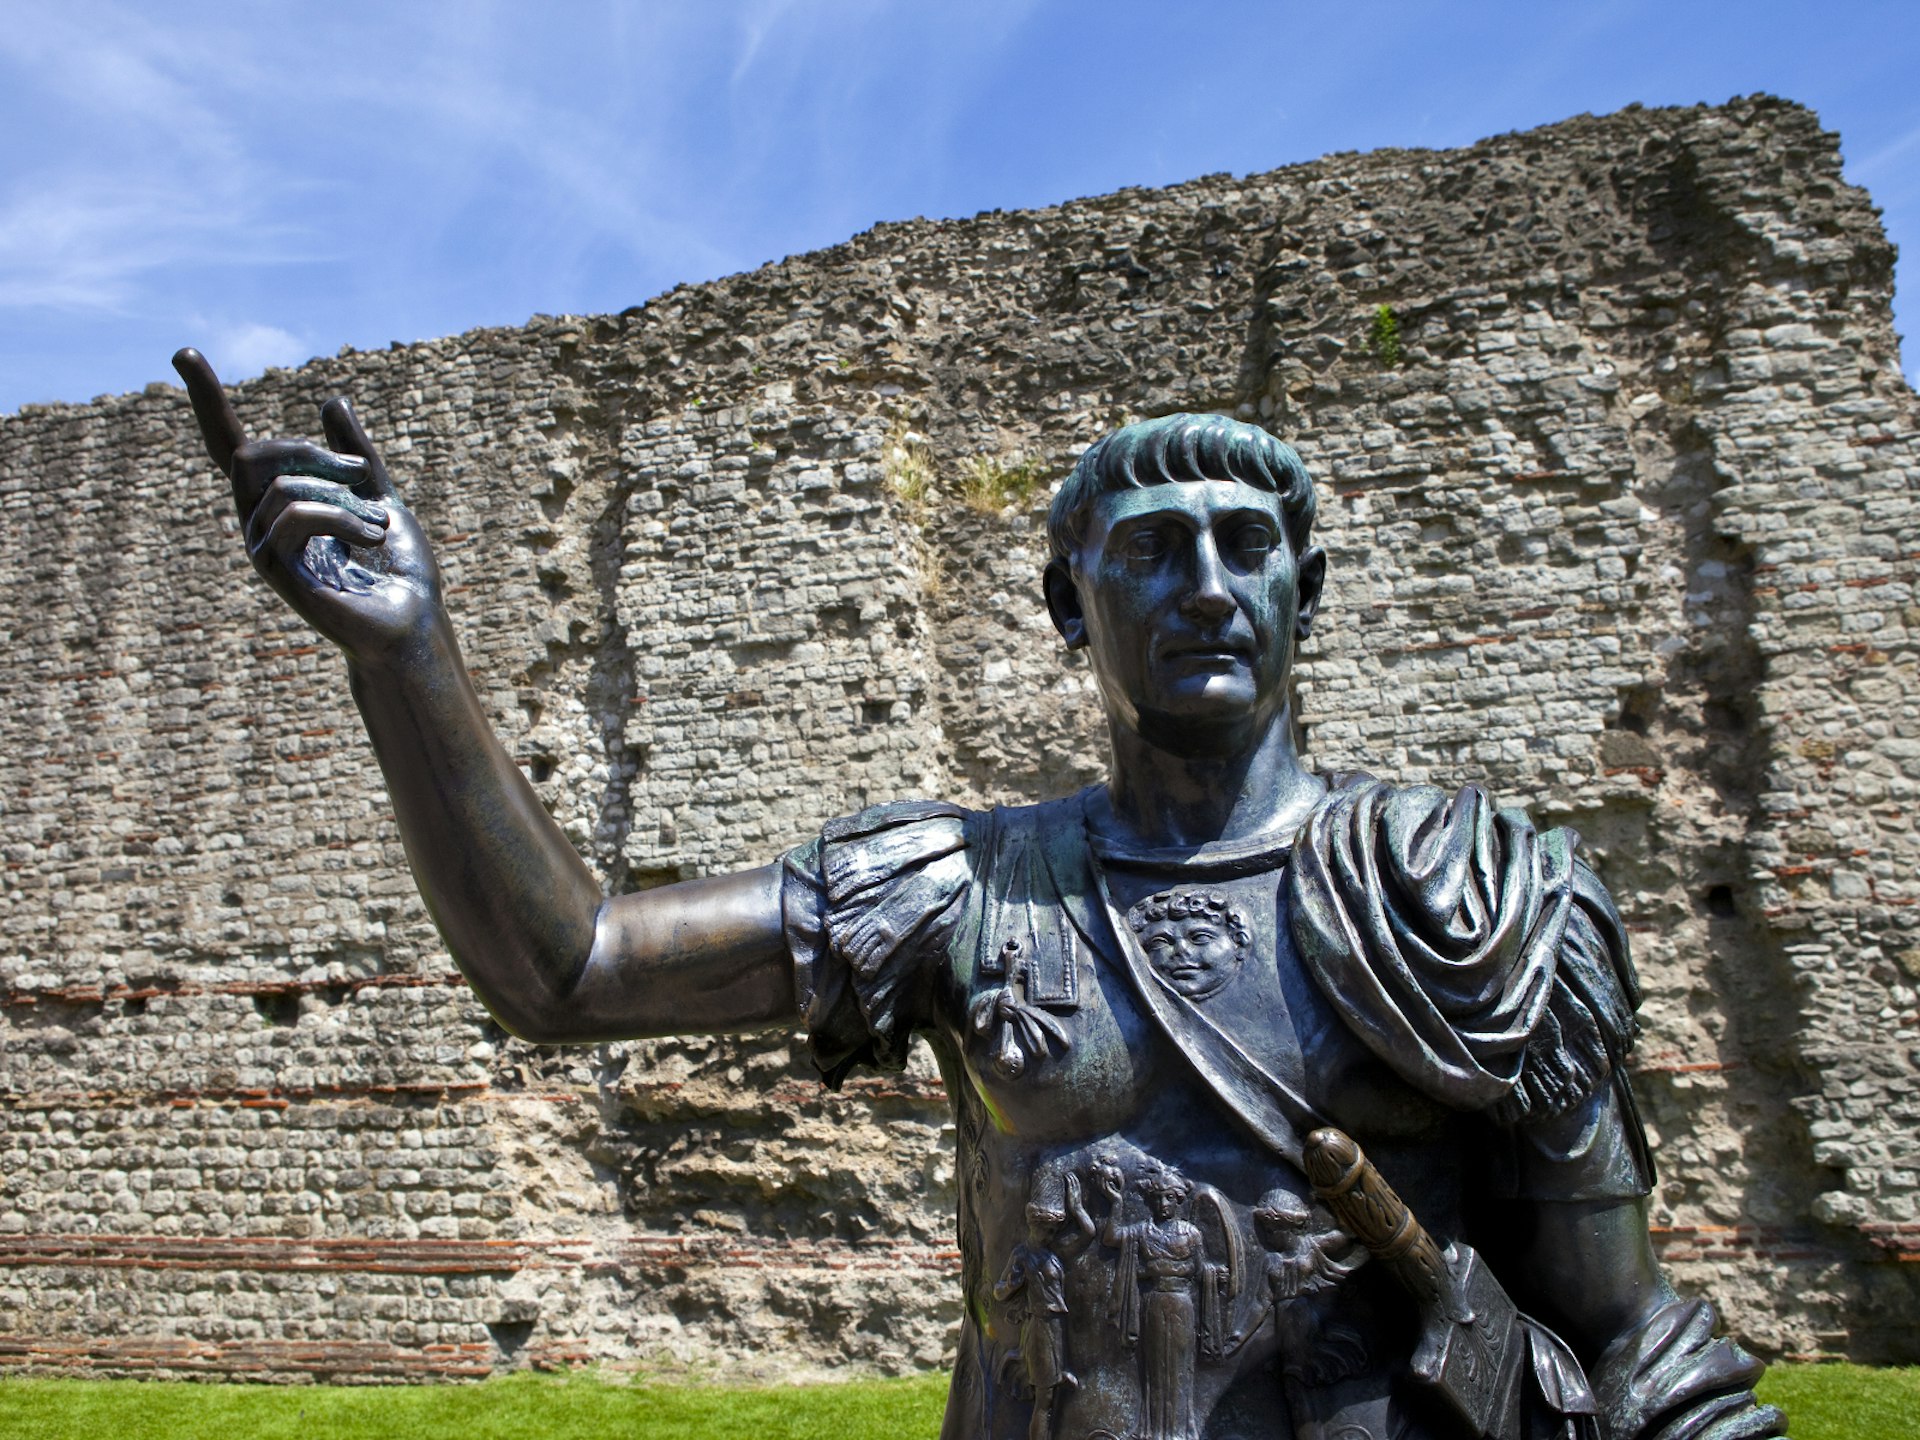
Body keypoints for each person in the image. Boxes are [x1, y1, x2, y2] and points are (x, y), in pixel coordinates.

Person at [175, 348, 1785, 1440]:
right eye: (1151, 552)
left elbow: (1623, 1334)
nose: (1206, 586)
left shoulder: (1470, 890)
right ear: (1073, 609)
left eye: (1245, 546)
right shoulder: (958, 887)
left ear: (1311, 590)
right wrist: (410, 660)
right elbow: (575, 969)